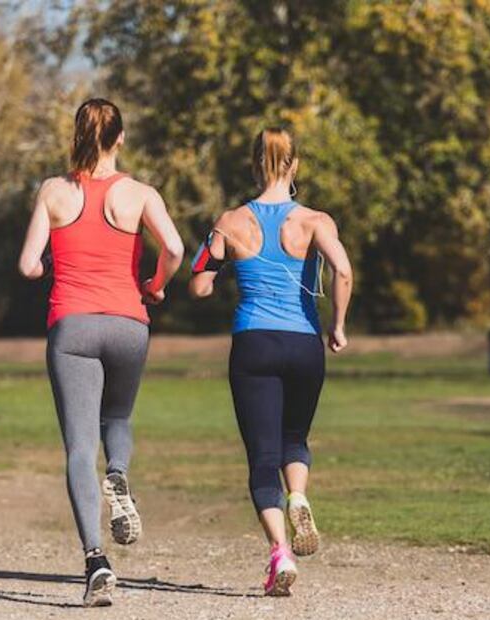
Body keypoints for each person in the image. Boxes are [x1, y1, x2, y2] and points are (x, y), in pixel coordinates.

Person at [18, 98, 184, 607]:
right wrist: (154, 285)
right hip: (128, 322)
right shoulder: (139, 194)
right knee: (119, 416)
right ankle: (120, 474)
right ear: (121, 137)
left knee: (76, 448)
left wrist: (50, 265)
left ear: (77, 136)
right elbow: (175, 249)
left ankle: (95, 561)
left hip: (72, 327)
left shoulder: (53, 191)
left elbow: (27, 265)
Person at [189, 127, 353, 596]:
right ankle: (299, 496)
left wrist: (215, 252)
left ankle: (281, 552)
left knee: (262, 458)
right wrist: (337, 325)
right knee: (294, 438)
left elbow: (200, 285)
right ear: (294, 165)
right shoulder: (317, 221)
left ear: (255, 165)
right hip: (304, 344)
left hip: (254, 344)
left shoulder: (231, 221)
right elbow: (342, 269)